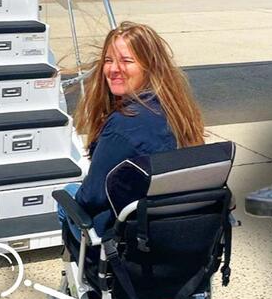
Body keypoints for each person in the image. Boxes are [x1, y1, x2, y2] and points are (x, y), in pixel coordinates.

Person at [58, 21, 205, 239]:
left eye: (126, 61)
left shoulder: (124, 124)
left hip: (129, 237)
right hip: (173, 228)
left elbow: (91, 198)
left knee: (68, 194)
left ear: (149, 67)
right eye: (108, 60)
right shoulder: (176, 110)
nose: (113, 69)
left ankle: (80, 268)